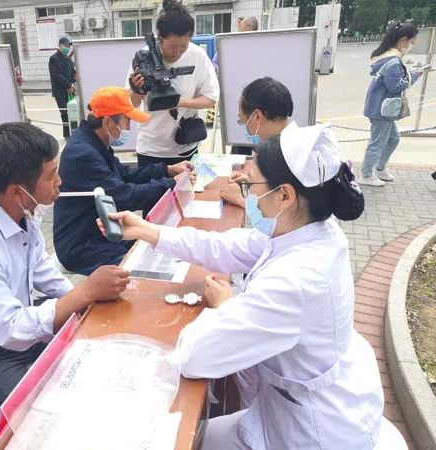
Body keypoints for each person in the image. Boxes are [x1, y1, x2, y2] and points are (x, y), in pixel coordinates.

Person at [99, 124, 387, 450]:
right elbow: (227, 246)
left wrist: (228, 306)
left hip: (312, 432)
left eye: (250, 185)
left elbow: (195, 355)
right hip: (288, 408)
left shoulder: (298, 279)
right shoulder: (308, 229)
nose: (246, 193)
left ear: (285, 195)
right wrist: (148, 231)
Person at [0, 122, 130, 431]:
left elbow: (41, 269)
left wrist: (81, 299)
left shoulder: (16, 207)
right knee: (41, 427)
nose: (60, 181)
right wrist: (84, 293)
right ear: (17, 191)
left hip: (12, 324)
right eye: (51, 175)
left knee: (101, 360)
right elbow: (12, 329)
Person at [54, 86, 194, 275]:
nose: (128, 127)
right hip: (82, 244)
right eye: (126, 120)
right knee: (143, 271)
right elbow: (124, 196)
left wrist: (168, 170)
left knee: (158, 243)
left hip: (103, 231)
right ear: (108, 122)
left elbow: (125, 174)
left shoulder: (94, 142)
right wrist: (171, 184)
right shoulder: (82, 154)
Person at [128, 0, 219, 167]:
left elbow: (211, 98)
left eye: (183, 46)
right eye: (172, 46)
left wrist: (180, 102)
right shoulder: (144, 58)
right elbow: (131, 105)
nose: (177, 52)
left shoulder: (197, 55)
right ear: (160, 37)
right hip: (151, 149)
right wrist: (136, 89)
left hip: (185, 146)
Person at [360, 21, 422, 187]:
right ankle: (366, 174)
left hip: (381, 108)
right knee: (377, 143)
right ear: (403, 40)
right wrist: (414, 76)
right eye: (411, 42)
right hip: (382, 110)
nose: (411, 46)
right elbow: (395, 86)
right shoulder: (393, 61)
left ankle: (380, 168)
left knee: (393, 139)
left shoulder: (387, 58)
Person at [220, 77, 294, 208]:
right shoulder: (293, 141)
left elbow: (275, 215)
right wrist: (254, 181)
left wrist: (241, 200)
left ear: (257, 116)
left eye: (242, 121)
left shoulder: (280, 155)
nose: (244, 127)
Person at [49, 36, 76, 139]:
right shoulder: (53, 59)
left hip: (70, 91)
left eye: (69, 46)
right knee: (64, 112)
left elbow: (73, 73)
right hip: (59, 91)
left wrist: (72, 84)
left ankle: (73, 133)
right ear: (60, 45)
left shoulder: (68, 59)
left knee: (73, 112)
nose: (68, 48)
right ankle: (67, 135)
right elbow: (56, 75)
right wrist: (68, 85)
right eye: (66, 45)